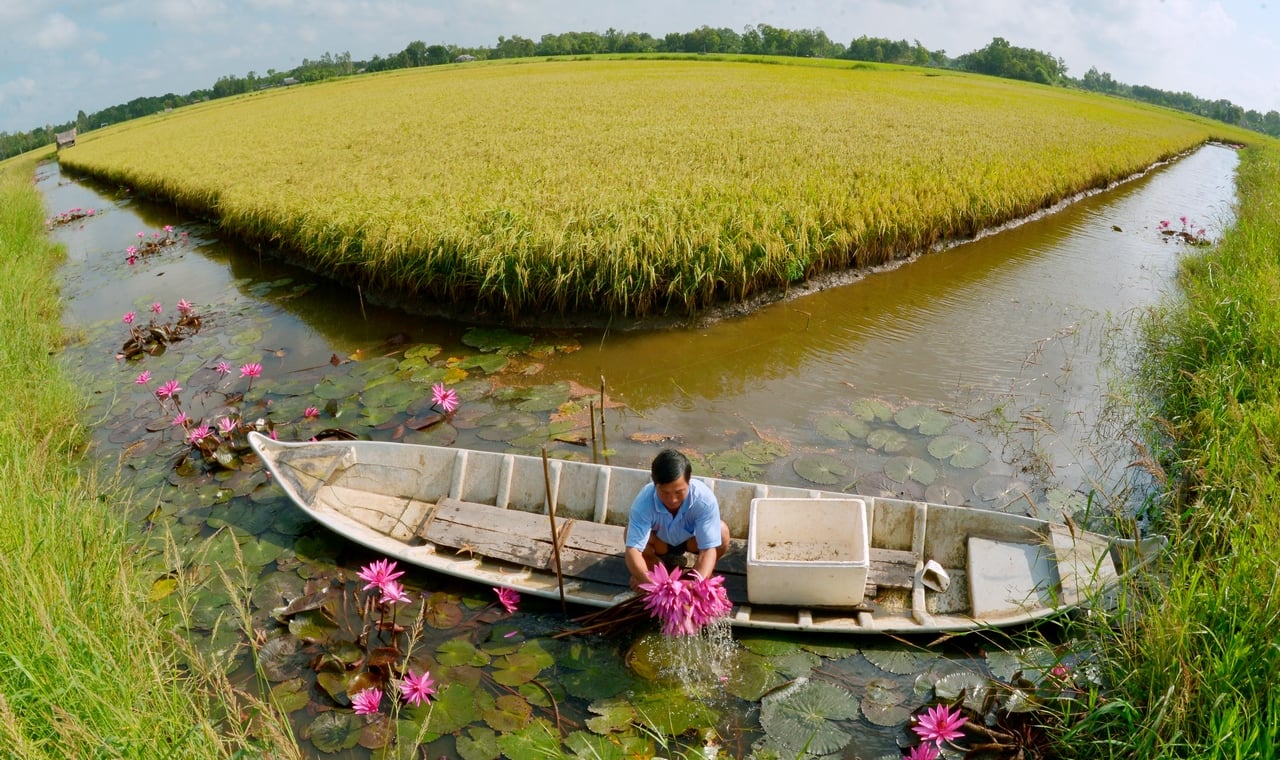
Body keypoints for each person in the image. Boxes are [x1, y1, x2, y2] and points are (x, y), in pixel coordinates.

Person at [624, 448, 730, 589]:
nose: (672, 500)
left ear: (689, 481)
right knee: (629, 533)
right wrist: (647, 582)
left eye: (679, 492)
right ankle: (653, 572)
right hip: (660, 543)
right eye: (664, 492)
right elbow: (633, 551)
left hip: (691, 541)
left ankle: (697, 575)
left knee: (722, 532)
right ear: (655, 484)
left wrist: (698, 584)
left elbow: (708, 549)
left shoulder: (704, 500)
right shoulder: (643, 503)